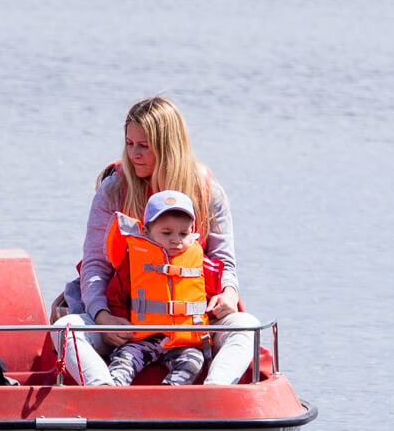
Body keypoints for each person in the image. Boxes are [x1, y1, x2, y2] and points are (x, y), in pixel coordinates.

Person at [52, 96, 260, 386]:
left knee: (247, 326)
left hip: (194, 324)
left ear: (169, 146)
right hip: (125, 322)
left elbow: (225, 261)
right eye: (129, 144)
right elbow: (95, 266)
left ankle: (215, 393)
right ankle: (102, 392)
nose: (134, 154)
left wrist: (227, 293)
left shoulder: (207, 191)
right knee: (65, 329)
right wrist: (102, 316)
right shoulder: (113, 191)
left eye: (144, 146)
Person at [97, 190, 211, 386]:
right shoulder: (134, 260)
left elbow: (213, 287)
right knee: (124, 360)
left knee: (193, 362)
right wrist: (118, 320)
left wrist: (224, 296)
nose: (176, 240)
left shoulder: (198, 260)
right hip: (143, 338)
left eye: (183, 233)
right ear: (147, 231)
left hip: (184, 343)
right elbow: (116, 294)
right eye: (166, 233)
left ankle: (171, 393)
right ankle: (113, 392)